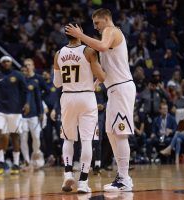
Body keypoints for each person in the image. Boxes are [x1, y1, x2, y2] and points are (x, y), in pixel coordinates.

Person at [65, 8, 136, 191]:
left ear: (106, 19)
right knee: (111, 133)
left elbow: (102, 46)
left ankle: (124, 178)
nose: (95, 27)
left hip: (121, 87)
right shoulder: (107, 35)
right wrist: (95, 82)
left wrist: (80, 35)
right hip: (114, 89)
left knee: (120, 133)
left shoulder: (111, 31)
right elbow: (105, 69)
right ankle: (122, 176)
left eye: (97, 23)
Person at [54, 22, 106, 193]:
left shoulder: (58, 54)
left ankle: (68, 173)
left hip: (67, 97)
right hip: (86, 96)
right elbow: (101, 76)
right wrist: (100, 77)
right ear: (79, 32)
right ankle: (83, 182)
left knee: (68, 139)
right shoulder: (88, 51)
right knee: (86, 140)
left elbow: (56, 83)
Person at [0, 56, 28, 175]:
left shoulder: (18, 75)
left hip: (15, 111)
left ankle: (16, 163)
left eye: (8, 61)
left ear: (11, 63)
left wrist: (26, 103)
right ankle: (1, 161)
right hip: (0, 110)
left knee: (15, 136)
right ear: (1, 63)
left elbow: (25, 91)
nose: (6, 63)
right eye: (3, 61)